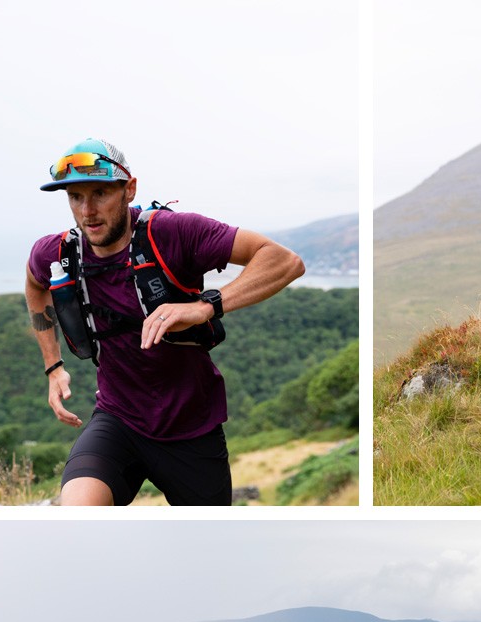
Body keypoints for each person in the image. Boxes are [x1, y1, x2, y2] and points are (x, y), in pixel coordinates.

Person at [24, 138, 306, 506]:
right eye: (75, 197)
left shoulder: (174, 233)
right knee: (79, 515)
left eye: (100, 193)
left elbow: (284, 261)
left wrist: (206, 306)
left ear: (129, 190)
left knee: (208, 538)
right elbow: (35, 286)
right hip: (117, 419)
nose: (87, 211)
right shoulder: (58, 252)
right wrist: (53, 367)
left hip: (193, 428)